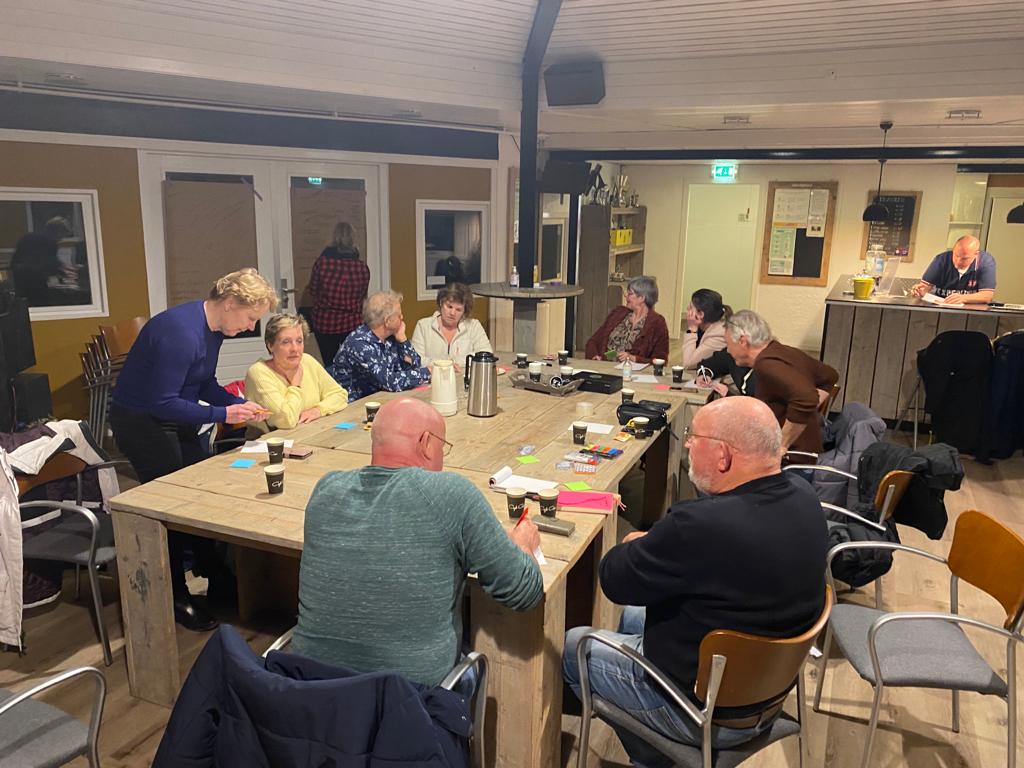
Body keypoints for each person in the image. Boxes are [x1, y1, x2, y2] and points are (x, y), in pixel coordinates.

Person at [562, 397, 828, 766]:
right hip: (769, 691)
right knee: (635, 615)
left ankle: (655, 758)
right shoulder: (804, 496)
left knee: (575, 644)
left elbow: (613, 578)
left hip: (706, 711)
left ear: (723, 456)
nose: (687, 443)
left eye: (693, 436)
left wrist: (634, 542)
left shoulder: (700, 526)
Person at [292, 397, 544, 686]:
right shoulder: (452, 494)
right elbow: (524, 591)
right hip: (409, 702)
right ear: (426, 443)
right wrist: (522, 544)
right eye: (442, 446)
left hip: (309, 691)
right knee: (472, 666)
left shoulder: (326, 489)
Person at [110, 268, 277, 631]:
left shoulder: (214, 329)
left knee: (202, 493)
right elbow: (161, 403)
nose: (251, 327)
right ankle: (175, 594)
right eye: (251, 318)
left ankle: (215, 572)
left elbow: (203, 383)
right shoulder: (182, 333)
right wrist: (223, 413)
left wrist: (237, 403)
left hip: (171, 415)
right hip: (142, 422)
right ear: (230, 304)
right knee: (171, 506)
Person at [723, 310, 838, 454]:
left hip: (793, 458)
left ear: (742, 341)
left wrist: (782, 445)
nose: (727, 351)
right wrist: (808, 413)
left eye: (728, 344)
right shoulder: (784, 351)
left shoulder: (766, 364)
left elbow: (807, 398)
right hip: (808, 451)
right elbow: (830, 376)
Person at [244, 313, 348, 432]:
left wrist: (318, 410)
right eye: (286, 342)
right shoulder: (259, 372)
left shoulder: (307, 361)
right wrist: (295, 386)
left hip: (311, 432)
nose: (295, 349)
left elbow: (340, 395)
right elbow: (286, 420)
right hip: (272, 441)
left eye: (299, 341)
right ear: (270, 345)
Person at [329, 290, 431, 402]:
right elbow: (390, 382)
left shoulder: (390, 338)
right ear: (387, 321)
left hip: (381, 399)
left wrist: (403, 340)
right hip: (354, 405)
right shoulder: (360, 344)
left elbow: (414, 367)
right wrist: (428, 372)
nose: (402, 317)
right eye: (399, 315)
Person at [309, 222, 370, 367]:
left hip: (326, 322)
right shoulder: (362, 267)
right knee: (351, 364)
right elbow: (363, 296)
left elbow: (313, 290)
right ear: (353, 239)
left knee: (329, 362)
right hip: (352, 323)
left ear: (334, 238)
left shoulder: (323, 264)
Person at [585, 276, 669, 364]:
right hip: (605, 367)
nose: (626, 296)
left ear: (642, 298)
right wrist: (595, 356)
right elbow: (593, 341)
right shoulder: (618, 313)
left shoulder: (657, 323)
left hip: (633, 371)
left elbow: (661, 361)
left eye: (630, 294)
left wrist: (634, 358)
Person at [410, 283, 492, 367]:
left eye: (458, 309)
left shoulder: (474, 326)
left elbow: (486, 353)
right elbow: (415, 360)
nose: (452, 313)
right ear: (441, 303)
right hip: (433, 375)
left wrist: (456, 362)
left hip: (464, 375)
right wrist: (445, 364)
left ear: (464, 311)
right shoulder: (423, 326)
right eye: (449, 307)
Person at [910, 235, 996, 305]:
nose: (958, 261)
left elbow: (987, 295)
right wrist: (919, 291)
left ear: (976, 254)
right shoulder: (941, 259)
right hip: (940, 306)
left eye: (964, 258)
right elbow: (924, 287)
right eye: (956, 255)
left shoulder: (986, 262)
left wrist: (963, 298)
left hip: (971, 310)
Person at [11, 216, 70, 306]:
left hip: (20, 279)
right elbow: (50, 264)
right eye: (62, 235)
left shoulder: (27, 237)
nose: (61, 239)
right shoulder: (50, 243)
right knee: (42, 303)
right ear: (56, 231)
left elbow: (15, 260)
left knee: (25, 306)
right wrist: (63, 273)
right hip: (36, 281)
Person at [681, 288, 731, 369]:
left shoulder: (719, 335)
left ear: (701, 314)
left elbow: (688, 364)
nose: (687, 309)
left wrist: (692, 329)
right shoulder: (703, 328)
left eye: (690, 307)